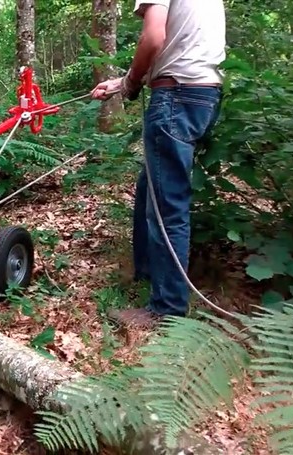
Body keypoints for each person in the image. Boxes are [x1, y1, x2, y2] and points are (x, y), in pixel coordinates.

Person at [91, 0, 226, 329]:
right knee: (150, 186)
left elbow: (153, 37)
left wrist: (132, 84)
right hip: (202, 93)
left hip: (177, 96)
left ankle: (166, 309)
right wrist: (122, 81)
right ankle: (148, 273)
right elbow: (179, 43)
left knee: (167, 207)